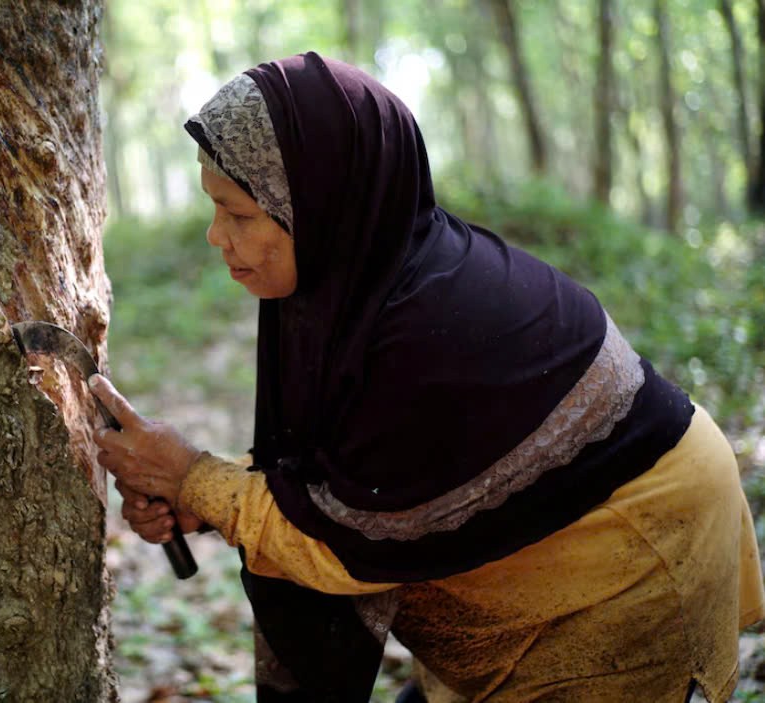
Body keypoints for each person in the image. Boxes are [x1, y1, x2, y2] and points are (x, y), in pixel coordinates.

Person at [89, 52, 765, 702]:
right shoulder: (353, 294)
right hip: (539, 553)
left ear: (323, 206)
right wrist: (203, 495)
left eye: (238, 213)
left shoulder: (431, 326)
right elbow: (370, 472)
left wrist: (196, 479)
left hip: (632, 556)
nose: (216, 236)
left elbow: (350, 542)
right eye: (214, 208)